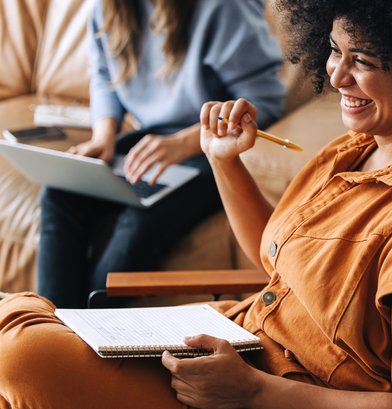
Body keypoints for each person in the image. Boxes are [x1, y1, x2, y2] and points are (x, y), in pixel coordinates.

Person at [0, 0, 392, 407]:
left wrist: (252, 392)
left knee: (20, 354)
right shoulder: (354, 153)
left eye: (361, 59)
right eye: (335, 51)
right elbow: (276, 256)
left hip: (250, 390)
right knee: (13, 327)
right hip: (232, 347)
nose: (335, 75)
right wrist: (222, 159)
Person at [37, 0, 285, 308]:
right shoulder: (109, 8)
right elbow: (103, 75)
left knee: (141, 216)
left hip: (211, 148)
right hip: (151, 139)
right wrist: (105, 136)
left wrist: (183, 143)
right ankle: (47, 326)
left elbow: (265, 102)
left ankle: (87, 328)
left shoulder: (224, 7)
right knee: (60, 191)